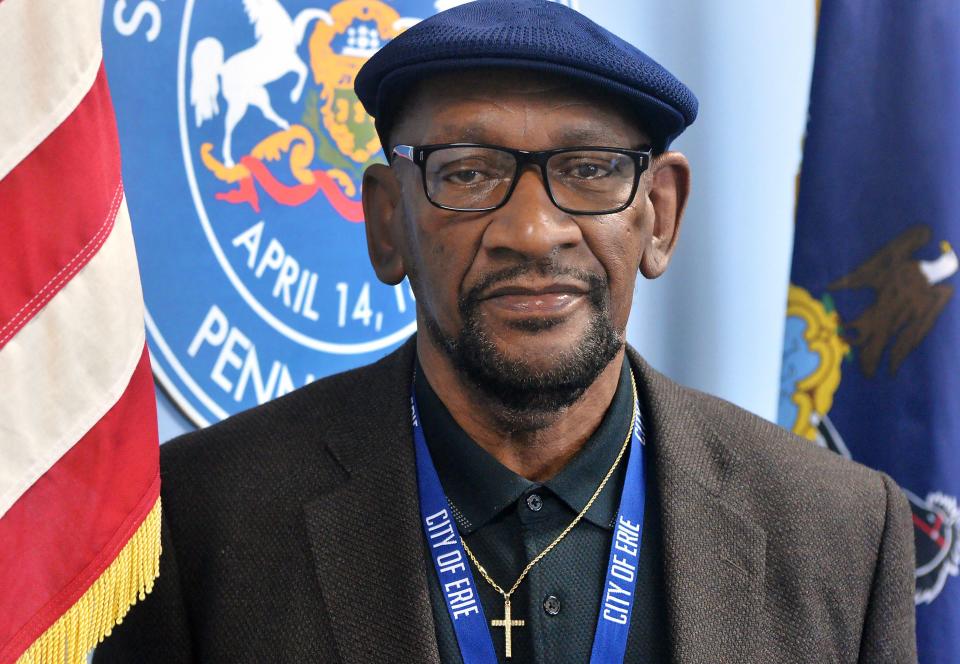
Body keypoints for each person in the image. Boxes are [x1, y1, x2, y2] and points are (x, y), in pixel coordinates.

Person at [94, 1, 917, 662]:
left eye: (590, 170)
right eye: (468, 171)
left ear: (658, 216)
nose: (532, 230)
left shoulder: (839, 530)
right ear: (388, 224)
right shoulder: (199, 523)